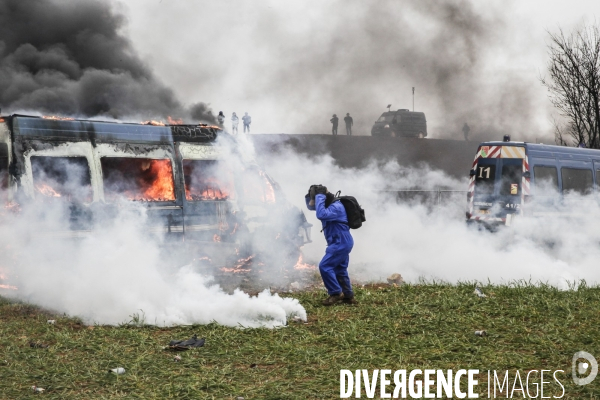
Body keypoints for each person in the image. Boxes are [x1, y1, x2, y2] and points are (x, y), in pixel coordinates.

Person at [305, 184, 356, 306]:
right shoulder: (329, 205)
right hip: (340, 241)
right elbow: (312, 207)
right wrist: (309, 196)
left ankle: (335, 293)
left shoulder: (336, 207)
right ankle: (348, 296)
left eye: (320, 198)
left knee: (325, 266)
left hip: (340, 242)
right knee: (340, 269)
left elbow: (321, 214)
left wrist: (320, 195)